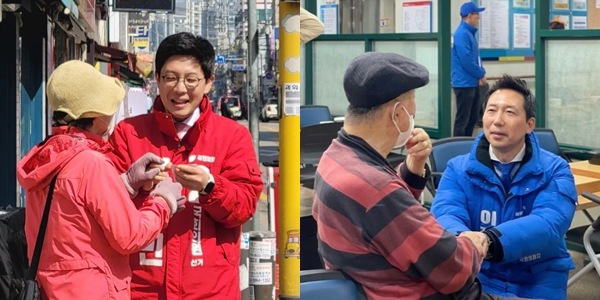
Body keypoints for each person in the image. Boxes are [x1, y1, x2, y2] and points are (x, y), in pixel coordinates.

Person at [312, 52, 502, 299]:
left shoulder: (335, 156)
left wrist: (411, 169)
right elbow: (452, 269)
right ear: (397, 113)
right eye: (412, 109)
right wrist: (475, 244)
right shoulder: (376, 189)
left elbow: (383, 223)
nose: (413, 116)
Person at [108, 32, 264, 300]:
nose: (180, 89)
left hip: (211, 291)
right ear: (157, 79)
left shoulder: (232, 136)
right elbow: (105, 207)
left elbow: (244, 206)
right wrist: (131, 184)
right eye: (170, 77)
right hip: (140, 289)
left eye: (191, 79)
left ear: (208, 83)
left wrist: (210, 186)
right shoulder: (128, 133)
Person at [16, 60, 185, 299]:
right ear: (95, 117)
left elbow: (75, 214)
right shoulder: (91, 163)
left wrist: (126, 182)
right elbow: (130, 236)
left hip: (53, 289)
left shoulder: (47, 155)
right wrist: (164, 200)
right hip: (92, 290)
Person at [431, 74, 577, 300]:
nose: (497, 120)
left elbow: (550, 222)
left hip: (538, 278)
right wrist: (464, 239)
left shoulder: (555, 168)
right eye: (491, 110)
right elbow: (445, 213)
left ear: (530, 125)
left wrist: (489, 240)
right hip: (479, 274)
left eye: (509, 112)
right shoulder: (458, 169)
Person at [452, 1, 487, 137]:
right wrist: (480, 74)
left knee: (472, 119)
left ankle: (465, 147)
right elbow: (466, 60)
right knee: (463, 120)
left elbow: (475, 57)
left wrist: (480, 73)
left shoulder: (469, 34)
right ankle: (457, 148)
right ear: (469, 15)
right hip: (463, 83)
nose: (478, 17)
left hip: (471, 82)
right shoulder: (461, 34)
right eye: (477, 14)